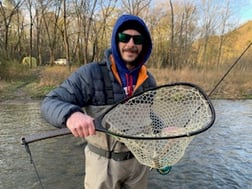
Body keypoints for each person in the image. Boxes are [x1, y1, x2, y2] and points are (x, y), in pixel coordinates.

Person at [41, 14, 156, 189]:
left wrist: (163, 128)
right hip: (102, 165)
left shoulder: (149, 80)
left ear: (144, 45)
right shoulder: (90, 74)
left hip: (138, 165)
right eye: (124, 37)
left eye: (137, 39)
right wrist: (72, 115)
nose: (131, 44)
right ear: (116, 41)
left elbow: (150, 117)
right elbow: (50, 102)